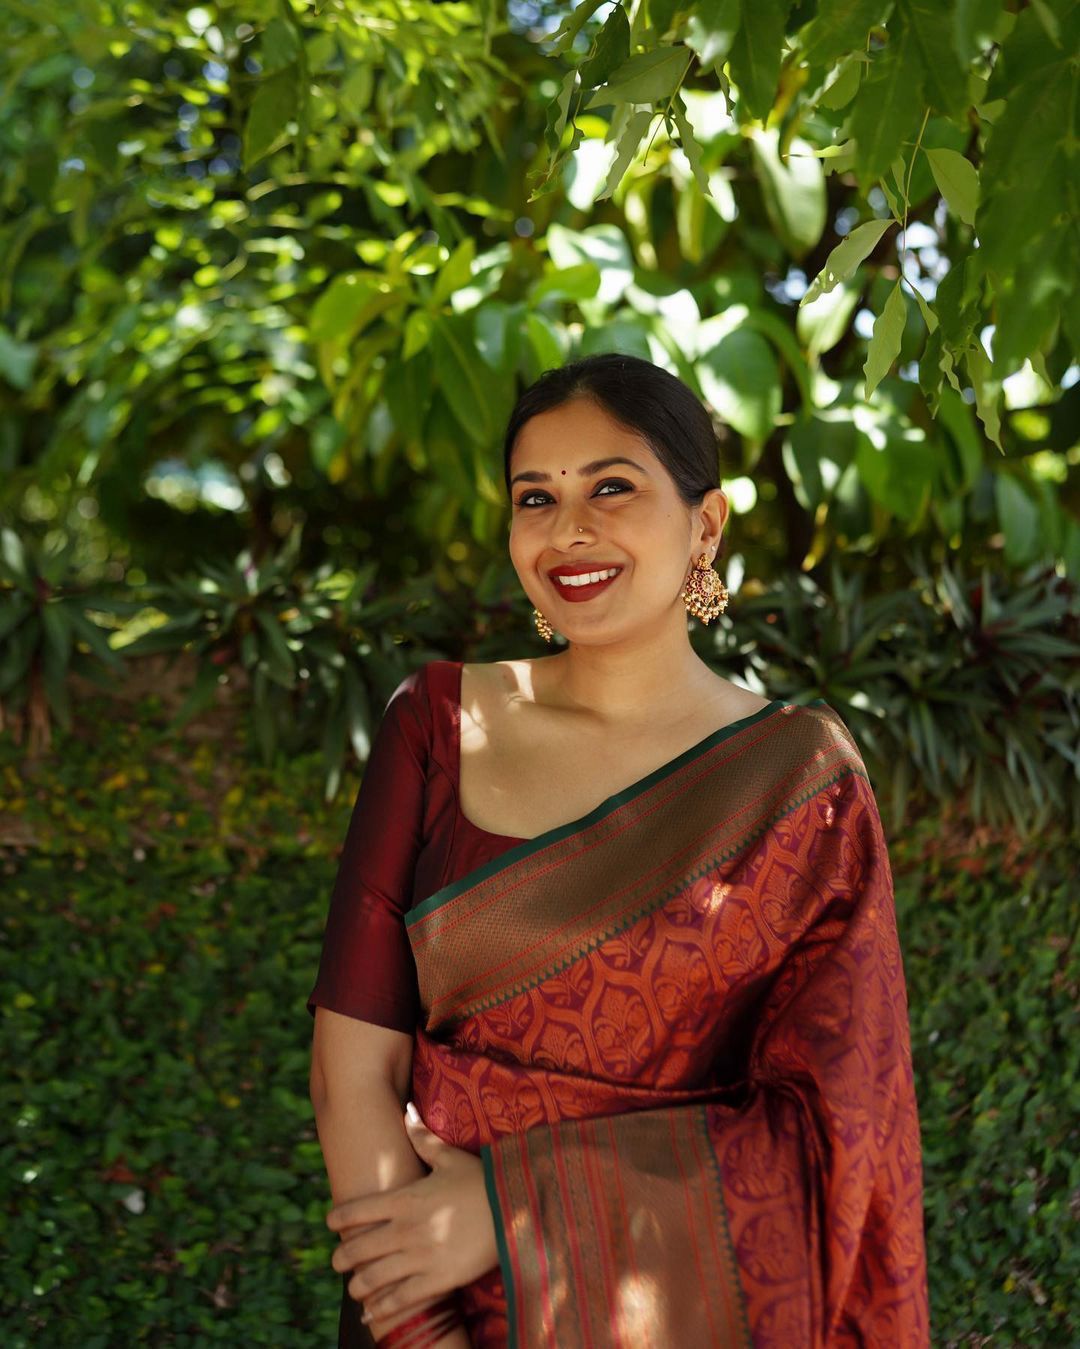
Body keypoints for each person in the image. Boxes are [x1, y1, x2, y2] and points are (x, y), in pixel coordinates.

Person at [307, 352, 931, 1347]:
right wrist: (420, 1328)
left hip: (679, 1310)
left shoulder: (799, 779)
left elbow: (836, 1136)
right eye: (534, 497)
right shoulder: (436, 722)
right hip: (420, 1302)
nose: (569, 530)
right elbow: (352, 1073)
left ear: (707, 523)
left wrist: (515, 1213)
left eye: (612, 487)